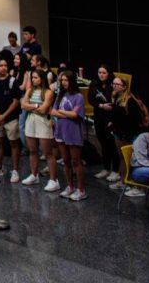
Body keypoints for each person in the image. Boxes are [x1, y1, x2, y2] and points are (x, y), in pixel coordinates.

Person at [20, 68, 60, 191]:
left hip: (43, 121)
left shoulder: (48, 92)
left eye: (36, 77)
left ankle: (54, 180)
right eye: (32, 77)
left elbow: (44, 110)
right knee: (32, 150)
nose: (33, 79)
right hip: (31, 120)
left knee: (47, 152)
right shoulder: (30, 90)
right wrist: (36, 106)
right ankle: (34, 174)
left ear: (41, 79)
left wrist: (31, 106)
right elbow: (23, 105)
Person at [52, 69, 87, 200]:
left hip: (73, 131)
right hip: (61, 130)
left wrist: (63, 112)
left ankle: (81, 189)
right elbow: (53, 112)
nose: (64, 83)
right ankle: (70, 186)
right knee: (65, 160)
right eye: (62, 80)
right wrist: (67, 113)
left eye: (66, 80)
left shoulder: (78, 96)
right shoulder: (60, 95)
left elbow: (75, 114)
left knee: (75, 161)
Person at [89, 65, 119, 184]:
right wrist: (101, 105)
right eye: (99, 72)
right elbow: (91, 99)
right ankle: (106, 168)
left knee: (111, 143)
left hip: (110, 117)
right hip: (99, 115)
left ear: (108, 74)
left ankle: (116, 170)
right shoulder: (94, 83)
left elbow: (116, 99)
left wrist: (109, 106)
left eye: (104, 73)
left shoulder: (113, 84)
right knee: (102, 142)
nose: (101, 75)